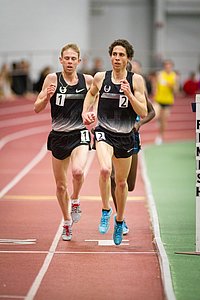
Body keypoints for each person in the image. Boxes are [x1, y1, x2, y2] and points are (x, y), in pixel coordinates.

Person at [82, 39, 147, 245]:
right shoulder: (101, 78)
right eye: (114, 54)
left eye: (121, 55)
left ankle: (119, 222)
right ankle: (105, 210)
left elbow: (144, 112)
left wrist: (129, 94)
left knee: (121, 183)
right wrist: (86, 112)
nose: (117, 58)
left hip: (125, 136)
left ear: (128, 58)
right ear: (110, 56)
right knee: (104, 169)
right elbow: (91, 95)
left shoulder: (136, 81)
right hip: (104, 132)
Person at [34, 43, 93, 241]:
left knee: (77, 171)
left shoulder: (88, 80)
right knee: (60, 186)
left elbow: (98, 100)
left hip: (79, 134)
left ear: (79, 61)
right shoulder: (52, 79)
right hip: (58, 136)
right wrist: (46, 97)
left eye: (73, 58)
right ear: (60, 60)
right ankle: (67, 222)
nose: (69, 62)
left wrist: (92, 114)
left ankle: (75, 199)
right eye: (66, 58)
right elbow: (37, 107)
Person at [111, 61, 155, 235]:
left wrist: (139, 124)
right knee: (114, 177)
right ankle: (119, 217)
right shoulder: (109, 87)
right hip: (112, 136)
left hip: (132, 137)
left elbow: (151, 112)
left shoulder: (137, 88)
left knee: (129, 185)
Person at [153, 59, 178, 145]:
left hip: (168, 101)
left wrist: (170, 85)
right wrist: (155, 92)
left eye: (169, 65)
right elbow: (155, 85)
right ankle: (158, 119)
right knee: (154, 115)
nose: (167, 67)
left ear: (171, 66)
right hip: (158, 100)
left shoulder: (174, 76)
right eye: (166, 65)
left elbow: (176, 90)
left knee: (164, 121)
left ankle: (160, 136)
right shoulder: (160, 74)